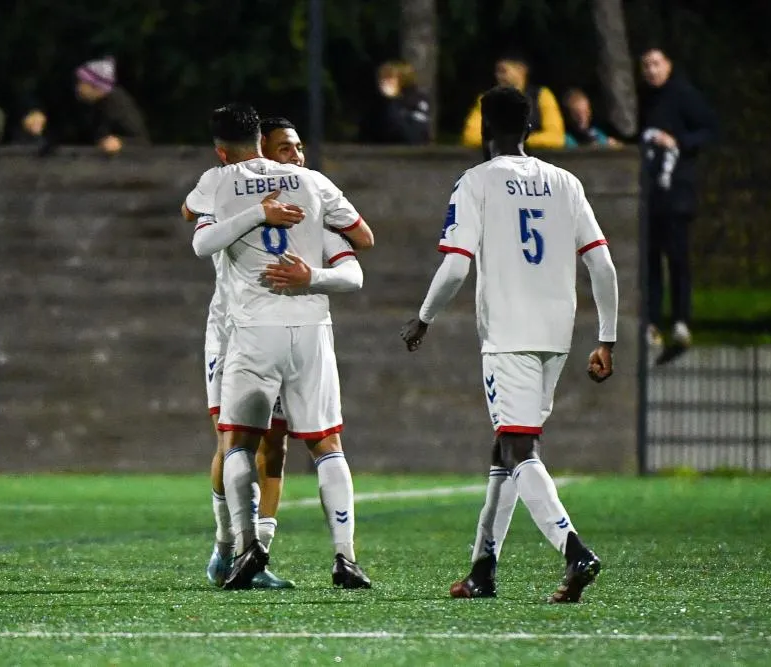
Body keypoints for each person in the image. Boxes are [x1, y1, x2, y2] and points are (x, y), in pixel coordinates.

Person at [401, 86, 619, 603]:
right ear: (528, 129)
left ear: (483, 130)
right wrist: (606, 338)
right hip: (556, 335)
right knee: (506, 447)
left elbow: (456, 265)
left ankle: (574, 552)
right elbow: (602, 265)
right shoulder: (566, 182)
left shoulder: (475, 182)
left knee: (520, 448)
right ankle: (483, 567)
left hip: (508, 334)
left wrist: (423, 318)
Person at [190, 104, 375, 590]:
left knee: (257, 442)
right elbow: (363, 238)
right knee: (247, 442)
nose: (295, 155)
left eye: (298, 148)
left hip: (260, 328)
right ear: (261, 149)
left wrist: (309, 271)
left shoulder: (222, 183)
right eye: (285, 148)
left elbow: (194, 222)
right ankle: (228, 546)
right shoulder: (302, 185)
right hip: (236, 329)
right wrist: (264, 211)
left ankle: (256, 547)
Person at [639, 47, 717, 350]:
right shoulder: (645, 99)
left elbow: (710, 129)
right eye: (646, 65)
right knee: (651, 261)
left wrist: (679, 142)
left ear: (668, 65)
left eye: (656, 64)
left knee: (678, 259)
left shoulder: (684, 95)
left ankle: (682, 320)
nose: (651, 70)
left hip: (678, 190)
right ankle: (652, 321)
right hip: (651, 193)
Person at [462, 55, 565, 150]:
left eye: (503, 71)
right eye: (497, 72)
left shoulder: (542, 95)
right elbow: (470, 137)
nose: (498, 76)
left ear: (521, 70)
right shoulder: (487, 99)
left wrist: (516, 142)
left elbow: (556, 138)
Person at [75, 56, 150, 154]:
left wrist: (121, 143)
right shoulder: (88, 102)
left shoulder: (118, 106)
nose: (78, 88)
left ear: (97, 87)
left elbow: (143, 142)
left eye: (82, 83)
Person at [359, 61, 431, 145]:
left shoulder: (417, 101)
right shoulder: (377, 103)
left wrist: (391, 101)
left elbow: (411, 137)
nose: (383, 82)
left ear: (403, 79)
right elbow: (365, 134)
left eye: (389, 78)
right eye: (382, 77)